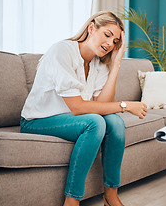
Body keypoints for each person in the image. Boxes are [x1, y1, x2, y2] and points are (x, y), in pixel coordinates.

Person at [20, 11, 148, 206]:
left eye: (115, 42)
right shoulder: (62, 51)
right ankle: (71, 201)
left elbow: (104, 105)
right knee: (94, 123)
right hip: (38, 121)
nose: (110, 44)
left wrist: (116, 65)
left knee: (115, 122)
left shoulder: (97, 63)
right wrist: (126, 105)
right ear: (91, 28)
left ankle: (111, 196)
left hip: (69, 119)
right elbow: (79, 108)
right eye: (107, 35)